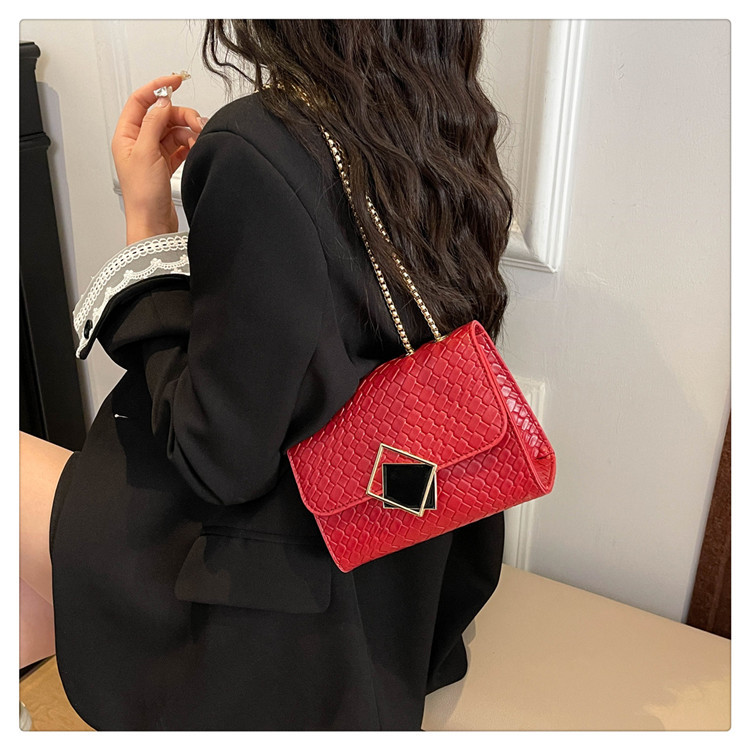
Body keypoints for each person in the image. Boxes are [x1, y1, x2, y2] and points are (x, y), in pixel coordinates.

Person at [20, 20, 514, 730]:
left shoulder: (263, 144)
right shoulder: (442, 119)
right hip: (400, 577)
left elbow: (214, 459)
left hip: (290, 611)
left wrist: (148, 225)